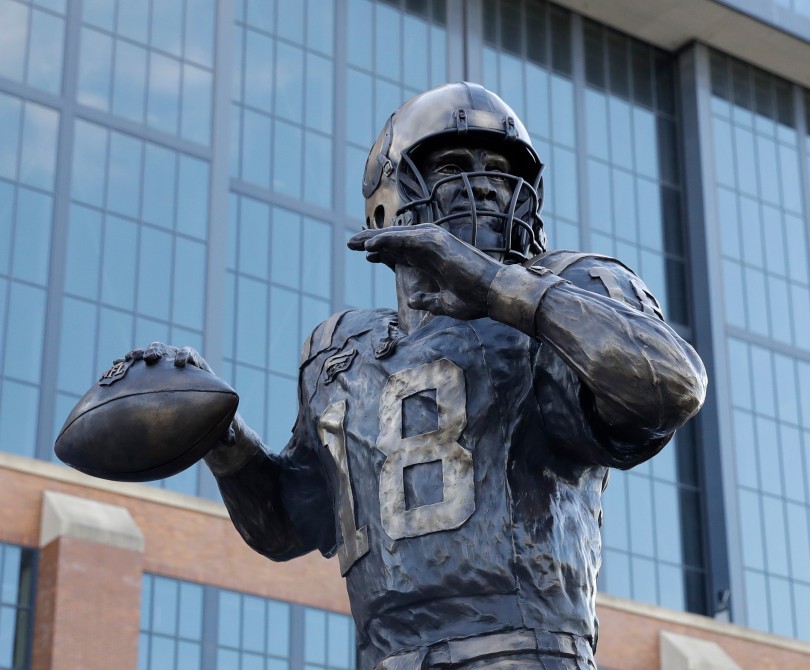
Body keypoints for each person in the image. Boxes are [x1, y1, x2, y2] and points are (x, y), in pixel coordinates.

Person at [139, 83, 706, 670]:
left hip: (524, 652)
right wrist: (223, 437)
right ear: (390, 197)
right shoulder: (339, 350)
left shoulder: (570, 292)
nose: (485, 182)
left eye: (500, 168)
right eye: (455, 165)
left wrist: (502, 291)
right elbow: (290, 521)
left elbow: (669, 385)